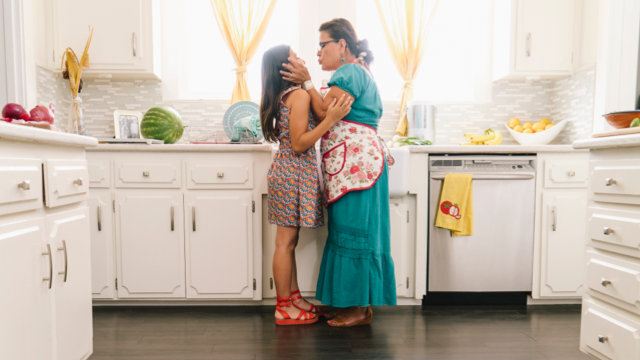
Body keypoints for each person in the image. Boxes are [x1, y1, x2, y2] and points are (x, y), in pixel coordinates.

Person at [281, 18, 397, 327]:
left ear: (342, 45)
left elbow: (324, 112)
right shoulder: (350, 73)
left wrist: (306, 80)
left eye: (323, 45)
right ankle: (348, 304)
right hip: (352, 168)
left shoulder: (350, 71)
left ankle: (358, 309)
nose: (318, 53)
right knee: (347, 232)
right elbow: (330, 111)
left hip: (357, 169)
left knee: (356, 234)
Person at [260, 44, 353, 326]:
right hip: (292, 174)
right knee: (285, 243)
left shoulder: (288, 95)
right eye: (295, 57)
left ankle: (294, 299)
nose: (301, 59)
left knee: (288, 243)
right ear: (285, 68)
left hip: (289, 173)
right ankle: (283, 308)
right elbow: (300, 144)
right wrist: (332, 119)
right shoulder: (298, 95)